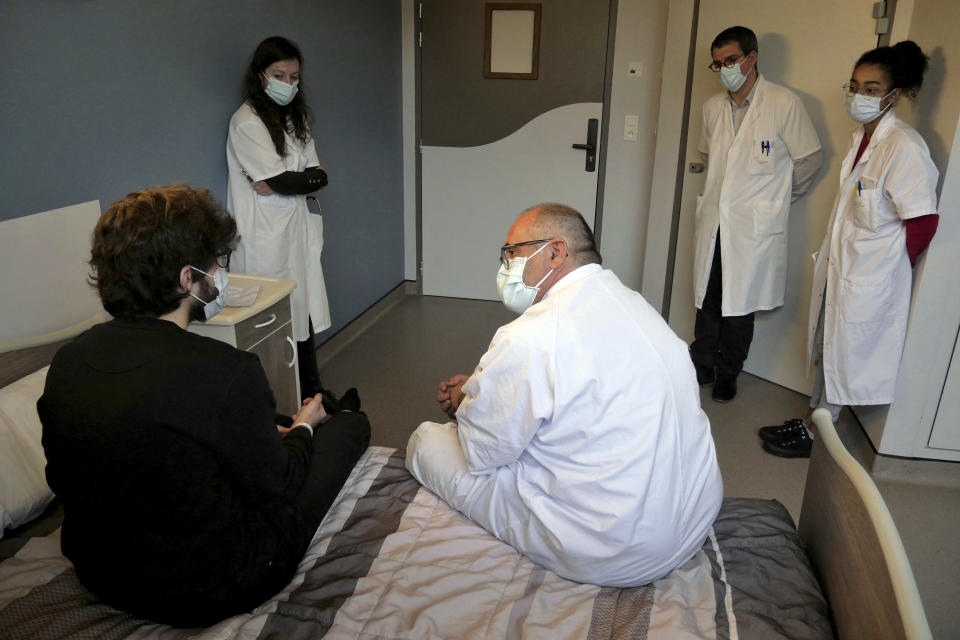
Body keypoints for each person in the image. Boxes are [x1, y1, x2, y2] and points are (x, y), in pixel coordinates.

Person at [37, 186, 370, 627]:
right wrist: (306, 426)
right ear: (186, 279)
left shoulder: (69, 361)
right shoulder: (226, 371)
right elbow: (281, 483)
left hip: (101, 574)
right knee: (348, 429)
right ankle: (328, 418)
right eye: (216, 265)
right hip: (211, 587)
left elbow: (65, 475)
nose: (220, 276)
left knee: (263, 427)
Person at [405, 204, 723, 587]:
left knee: (426, 441)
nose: (505, 266)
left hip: (617, 550)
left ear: (555, 252)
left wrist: (464, 401)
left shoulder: (529, 336)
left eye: (511, 253)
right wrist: (485, 387)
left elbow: (484, 453)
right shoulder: (635, 306)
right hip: (695, 517)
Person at [761, 41, 939, 458]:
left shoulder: (905, 146)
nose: (860, 96)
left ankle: (821, 430)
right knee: (826, 345)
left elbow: (923, 221)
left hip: (869, 274)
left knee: (842, 352)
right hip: (843, 268)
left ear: (894, 95)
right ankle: (813, 417)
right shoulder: (862, 136)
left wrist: (890, 267)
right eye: (856, 86)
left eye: (872, 88)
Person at [691, 26, 822, 402]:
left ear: (752, 57)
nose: (724, 69)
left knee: (740, 304)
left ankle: (728, 372)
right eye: (717, 63)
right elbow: (709, 155)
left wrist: (776, 200)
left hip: (753, 225)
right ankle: (702, 363)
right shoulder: (712, 107)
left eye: (730, 60)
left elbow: (810, 160)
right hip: (715, 220)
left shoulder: (783, 103)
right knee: (708, 296)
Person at [226, 36, 330, 400]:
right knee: (272, 319)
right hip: (264, 236)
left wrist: (290, 182)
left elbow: (319, 175)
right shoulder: (246, 123)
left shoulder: (294, 120)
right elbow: (285, 179)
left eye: (294, 77)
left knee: (302, 310)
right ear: (260, 76)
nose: (288, 84)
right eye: (279, 75)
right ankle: (281, 400)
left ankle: (311, 393)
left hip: (294, 229)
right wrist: (291, 181)